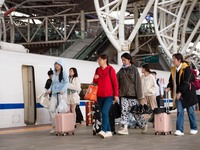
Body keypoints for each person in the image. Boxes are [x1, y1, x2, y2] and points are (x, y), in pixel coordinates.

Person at [166, 53, 198, 136]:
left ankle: (194, 128)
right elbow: (171, 81)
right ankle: (179, 129)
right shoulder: (173, 69)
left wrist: (180, 92)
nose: (172, 60)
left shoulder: (186, 69)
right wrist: (169, 87)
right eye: (172, 58)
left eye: (174, 59)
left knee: (190, 111)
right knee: (180, 111)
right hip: (178, 94)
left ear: (179, 60)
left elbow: (186, 82)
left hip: (188, 94)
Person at [117, 53, 147, 135]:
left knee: (135, 112)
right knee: (124, 110)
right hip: (123, 94)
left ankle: (143, 124)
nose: (123, 62)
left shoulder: (134, 69)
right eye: (122, 60)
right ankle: (125, 128)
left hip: (133, 95)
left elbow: (138, 83)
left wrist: (140, 97)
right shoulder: (121, 71)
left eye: (124, 60)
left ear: (129, 60)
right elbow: (116, 82)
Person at [93, 54, 119, 138]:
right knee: (104, 113)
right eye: (98, 60)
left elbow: (115, 83)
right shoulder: (97, 70)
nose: (98, 61)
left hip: (109, 95)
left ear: (105, 60)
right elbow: (94, 81)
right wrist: (95, 78)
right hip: (99, 95)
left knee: (104, 112)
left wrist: (116, 95)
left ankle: (103, 130)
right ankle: (108, 131)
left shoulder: (111, 69)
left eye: (100, 60)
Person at [46, 59, 68, 134]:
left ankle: (62, 126)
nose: (57, 66)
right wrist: (49, 89)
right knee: (51, 109)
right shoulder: (54, 74)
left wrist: (63, 90)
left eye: (58, 64)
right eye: (56, 64)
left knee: (61, 110)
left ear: (61, 65)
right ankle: (54, 126)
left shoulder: (64, 73)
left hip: (61, 93)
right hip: (54, 93)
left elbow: (67, 82)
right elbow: (53, 84)